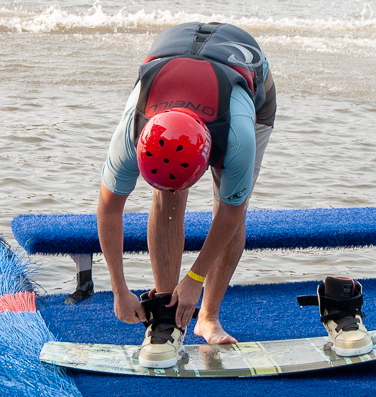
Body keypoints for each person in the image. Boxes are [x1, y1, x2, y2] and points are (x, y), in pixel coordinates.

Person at [96, 22, 276, 368]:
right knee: (167, 200)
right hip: (173, 58)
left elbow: (230, 213)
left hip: (245, 82)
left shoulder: (238, 138)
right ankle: (169, 314)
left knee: (230, 202)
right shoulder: (131, 134)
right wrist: (119, 289)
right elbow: (108, 210)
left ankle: (207, 316)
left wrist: (194, 279)